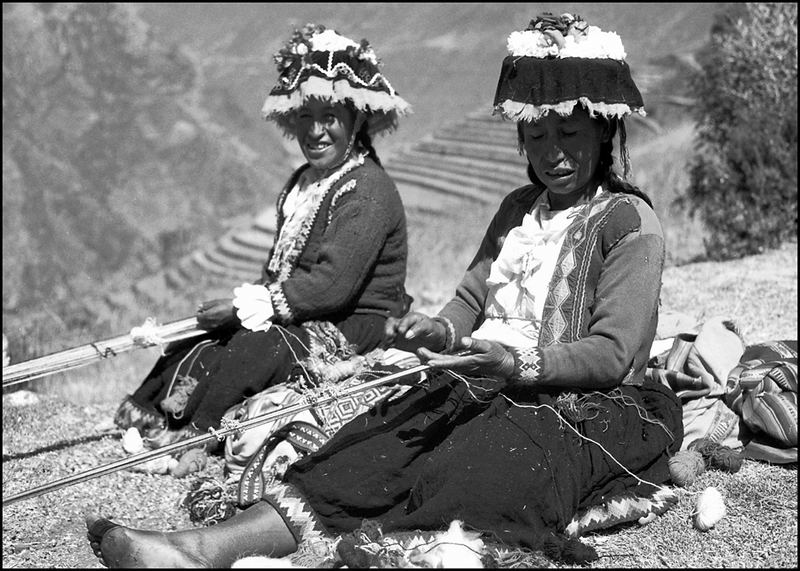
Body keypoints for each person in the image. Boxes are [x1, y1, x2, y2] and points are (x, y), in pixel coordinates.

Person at [86, 13, 684, 567]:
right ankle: (200, 550)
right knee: (365, 449)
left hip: (593, 404)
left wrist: (517, 362)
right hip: (489, 378)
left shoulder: (630, 224)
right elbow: (472, 300)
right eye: (536, 134)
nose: (553, 152)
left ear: (605, 131)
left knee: (481, 465)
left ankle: (403, 550)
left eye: (571, 133)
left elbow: (612, 354)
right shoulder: (516, 209)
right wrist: (439, 330)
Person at [112, 23, 412, 455]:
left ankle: (197, 438)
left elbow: (332, 286)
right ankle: (154, 415)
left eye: (329, 117)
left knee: (256, 348)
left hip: (355, 323)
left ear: (356, 118)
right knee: (202, 337)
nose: (315, 131)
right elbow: (280, 269)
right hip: (308, 309)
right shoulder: (304, 182)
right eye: (305, 117)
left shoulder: (367, 190)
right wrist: (245, 310)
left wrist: (250, 308)